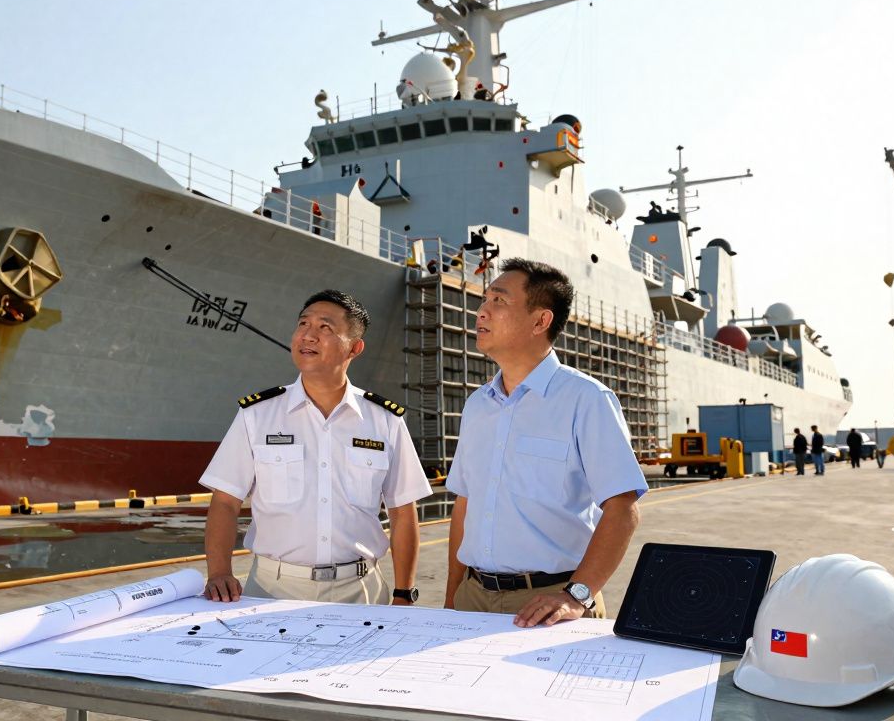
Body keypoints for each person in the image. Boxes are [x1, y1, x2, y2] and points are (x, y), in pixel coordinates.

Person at [444, 259, 646, 627]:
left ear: (540, 321)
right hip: (471, 597)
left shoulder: (586, 399)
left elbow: (622, 510)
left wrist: (577, 596)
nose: (482, 310)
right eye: (484, 299)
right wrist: (452, 596)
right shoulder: (477, 406)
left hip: (548, 604)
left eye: (498, 301)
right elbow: (465, 504)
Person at [201, 290, 432, 606]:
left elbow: (403, 511)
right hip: (271, 590)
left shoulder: (384, 421)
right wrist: (218, 573)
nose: (308, 335)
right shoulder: (258, 414)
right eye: (303, 324)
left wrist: (404, 592)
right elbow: (226, 500)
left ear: (354, 347)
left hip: (361, 592)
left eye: (325, 328)